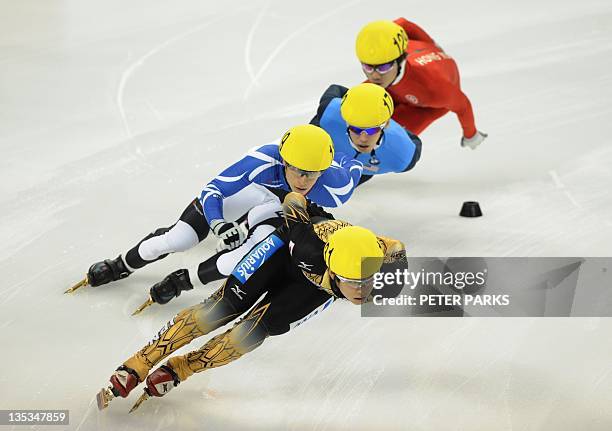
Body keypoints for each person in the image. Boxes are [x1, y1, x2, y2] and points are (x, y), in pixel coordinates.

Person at [96, 192, 406, 411]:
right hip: (283, 252)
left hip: (315, 287)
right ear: (334, 270)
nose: (361, 291)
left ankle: (182, 369)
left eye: (366, 282)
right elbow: (294, 201)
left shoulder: (386, 269)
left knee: (250, 334)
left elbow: (397, 257)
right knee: (219, 310)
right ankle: (139, 363)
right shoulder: (309, 247)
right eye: (353, 282)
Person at [67, 124, 362, 293]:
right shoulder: (262, 160)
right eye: (297, 170)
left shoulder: (336, 189)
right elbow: (213, 191)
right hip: (251, 191)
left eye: (313, 174)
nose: (304, 180)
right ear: (283, 160)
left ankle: (183, 281)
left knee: (240, 260)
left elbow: (354, 165)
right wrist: (218, 223)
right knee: (179, 239)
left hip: (275, 206)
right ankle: (121, 265)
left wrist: (355, 151)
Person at [355, 19, 488, 149]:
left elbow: (463, 105)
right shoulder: (386, 61)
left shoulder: (434, 88)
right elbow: (403, 23)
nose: (375, 75)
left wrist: (471, 135)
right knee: (355, 106)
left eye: (383, 67)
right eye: (367, 67)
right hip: (417, 57)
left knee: (384, 141)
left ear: (400, 61)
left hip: (425, 106)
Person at [311, 82, 421, 184]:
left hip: (365, 168)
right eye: (356, 129)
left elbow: (416, 142)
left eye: (372, 130)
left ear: (386, 125)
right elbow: (336, 89)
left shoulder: (402, 156)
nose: (363, 139)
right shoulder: (329, 116)